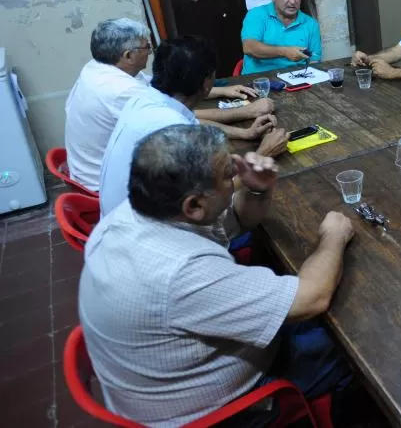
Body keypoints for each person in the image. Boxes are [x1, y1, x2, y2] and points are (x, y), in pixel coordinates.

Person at [80, 124, 357, 426]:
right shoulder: (179, 271)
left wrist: (255, 188)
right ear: (194, 205)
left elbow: (235, 221)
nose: (238, 172)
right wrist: (333, 236)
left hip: (179, 373)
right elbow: (312, 297)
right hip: (223, 412)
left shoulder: (134, 216)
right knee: (357, 349)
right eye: (229, 174)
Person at [65, 18, 272, 192]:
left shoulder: (103, 71)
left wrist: (224, 95)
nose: (149, 51)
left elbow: (188, 117)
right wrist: (262, 154)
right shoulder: (125, 94)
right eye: (146, 47)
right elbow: (214, 194)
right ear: (128, 56)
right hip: (110, 191)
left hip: (108, 180)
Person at [99, 36, 288, 215]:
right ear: (207, 83)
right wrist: (263, 153)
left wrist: (246, 133)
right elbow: (216, 194)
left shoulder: (146, 98)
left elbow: (195, 123)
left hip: (119, 219)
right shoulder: (173, 130)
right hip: (151, 234)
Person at [241, 0, 322, 74]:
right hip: (259, 80)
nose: (293, 1)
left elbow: (314, 60)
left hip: (297, 79)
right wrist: (284, 52)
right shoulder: (257, 15)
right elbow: (249, 48)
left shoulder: (310, 23)